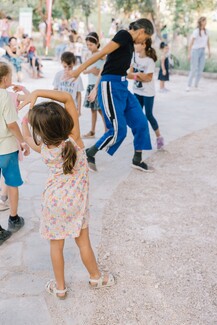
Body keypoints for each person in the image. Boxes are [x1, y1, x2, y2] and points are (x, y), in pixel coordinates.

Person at [20, 89, 115, 298]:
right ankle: (96, 277)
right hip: (75, 204)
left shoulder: (43, 148)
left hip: (52, 202)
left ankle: (60, 288)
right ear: (65, 122)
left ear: (41, 131)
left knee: (56, 246)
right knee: (83, 243)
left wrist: (26, 118)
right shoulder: (75, 141)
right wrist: (37, 93)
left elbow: (26, 136)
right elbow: (67, 98)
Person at [64, 18, 154, 172]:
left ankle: (137, 159)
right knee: (119, 130)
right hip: (111, 86)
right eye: (144, 38)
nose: (143, 41)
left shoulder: (128, 44)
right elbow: (102, 53)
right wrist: (78, 71)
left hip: (122, 86)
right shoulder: (124, 35)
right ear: (141, 31)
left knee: (141, 122)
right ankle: (89, 153)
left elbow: (109, 63)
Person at [0, 61, 30, 245]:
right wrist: (23, 141)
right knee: (12, 182)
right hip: (6, 149)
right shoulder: (4, 95)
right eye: (10, 77)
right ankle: (13, 218)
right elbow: (12, 124)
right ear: (4, 79)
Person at [128, 38, 164, 150]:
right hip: (137, 91)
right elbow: (129, 74)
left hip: (148, 93)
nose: (135, 45)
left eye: (137, 43)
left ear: (143, 45)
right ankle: (140, 140)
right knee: (138, 116)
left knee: (148, 115)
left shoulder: (150, 61)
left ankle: (159, 138)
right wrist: (137, 75)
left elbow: (149, 78)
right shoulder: (134, 56)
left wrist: (137, 74)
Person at [82, 32, 106, 138]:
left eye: (91, 45)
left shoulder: (101, 55)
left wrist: (97, 71)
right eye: (87, 45)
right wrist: (91, 70)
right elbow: (84, 70)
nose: (89, 47)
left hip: (98, 86)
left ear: (97, 43)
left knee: (100, 110)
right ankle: (92, 131)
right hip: (90, 85)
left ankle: (107, 130)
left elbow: (104, 68)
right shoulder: (89, 56)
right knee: (93, 110)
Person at [53, 51, 84, 116]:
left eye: (70, 66)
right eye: (65, 66)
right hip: (60, 106)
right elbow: (55, 90)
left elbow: (78, 94)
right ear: (62, 63)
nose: (67, 69)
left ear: (74, 64)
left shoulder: (77, 77)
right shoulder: (58, 75)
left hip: (72, 106)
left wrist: (79, 109)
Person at [186, 16, 211, 92]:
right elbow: (191, 43)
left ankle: (196, 84)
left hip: (202, 51)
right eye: (204, 21)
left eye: (206, 21)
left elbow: (208, 42)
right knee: (193, 69)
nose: (205, 22)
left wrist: (209, 51)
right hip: (195, 51)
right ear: (200, 22)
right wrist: (189, 54)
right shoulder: (196, 31)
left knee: (200, 69)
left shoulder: (207, 31)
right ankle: (188, 85)